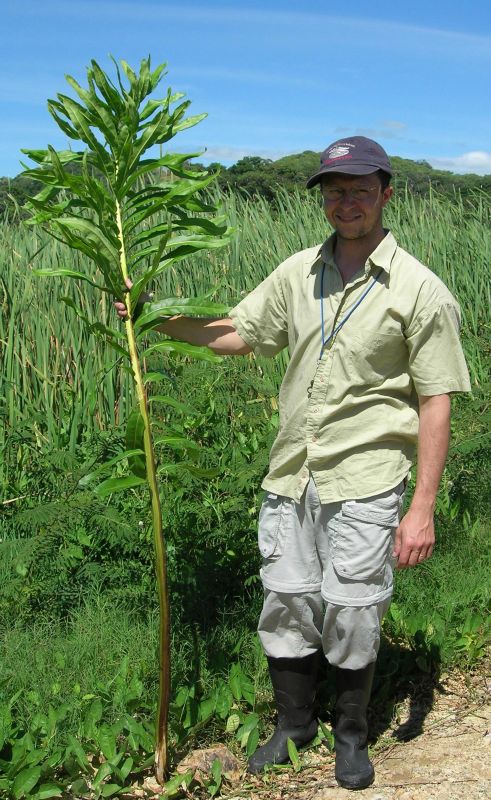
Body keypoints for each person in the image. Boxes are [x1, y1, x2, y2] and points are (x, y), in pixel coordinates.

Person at [115, 135, 470, 790]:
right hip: (292, 472)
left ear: (386, 195)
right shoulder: (296, 272)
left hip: (365, 474)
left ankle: (353, 733)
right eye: (334, 192)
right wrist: (151, 317)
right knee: (286, 599)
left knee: (354, 607)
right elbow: (235, 334)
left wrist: (420, 509)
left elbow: (435, 401)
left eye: (359, 189)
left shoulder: (420, 290)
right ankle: (292, 725)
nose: (346, 202)